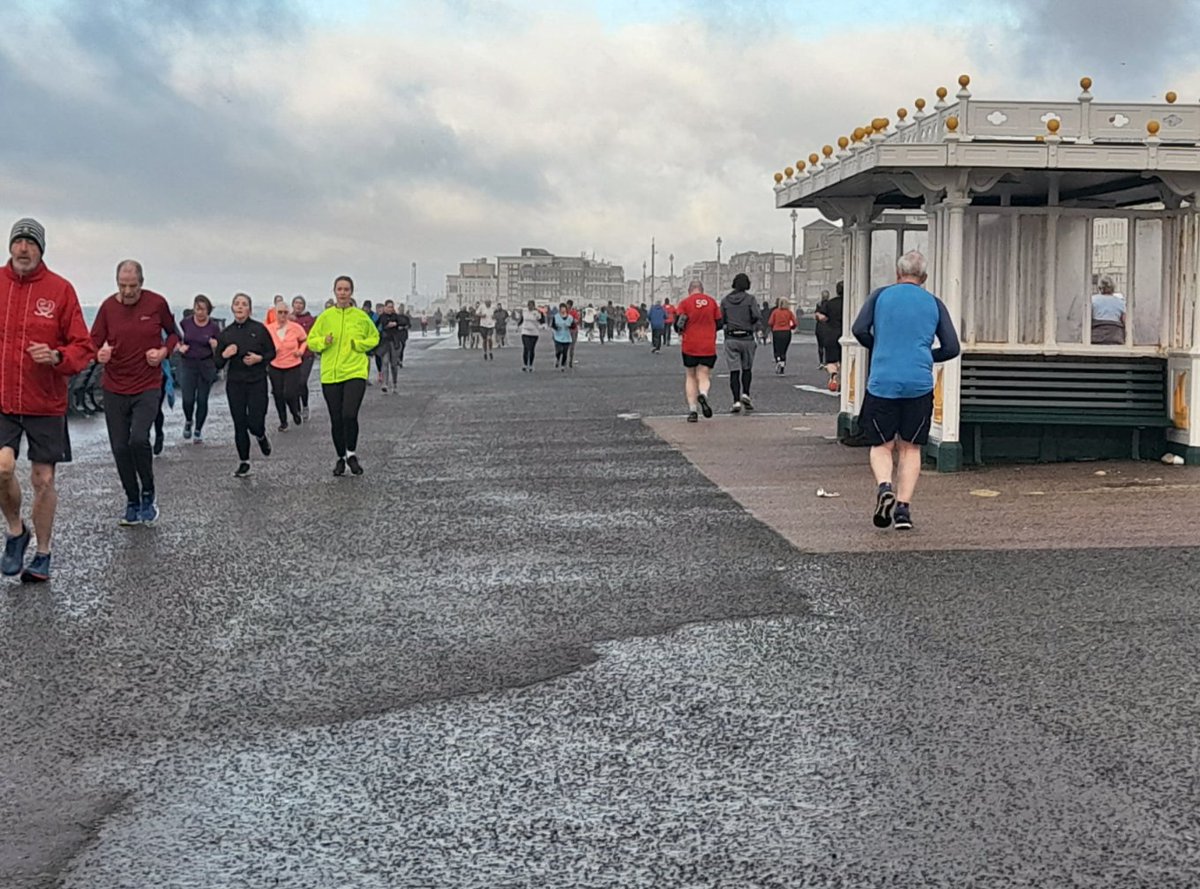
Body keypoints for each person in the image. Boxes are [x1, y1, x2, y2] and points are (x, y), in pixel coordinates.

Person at [0, 218, 94, 582]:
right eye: (18, 242)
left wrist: (56, 356)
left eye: (30, 243)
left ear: (41, 250)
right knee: (3, 467)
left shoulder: (60, 290)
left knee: (42, 478)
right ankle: (15, 530)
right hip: (4, 398)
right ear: (10, 246)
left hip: (45, 401)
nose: (23, 249)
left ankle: (42, 553)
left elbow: (82, 347)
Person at [851, 251, 961, 532]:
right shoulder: (934, 303)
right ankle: (902, 510)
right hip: (918, 383)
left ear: (897, 273)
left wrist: (879, 347)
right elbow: (951, 347)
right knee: (911, 447)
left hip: (882, 381)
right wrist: (925, 356)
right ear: (923, 278)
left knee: (882, 444)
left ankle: (884, 487)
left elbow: (859, 329)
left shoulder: (880, 296)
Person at [91, 259, 179, 526]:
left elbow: (174, 335)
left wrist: (163, 352)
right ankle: (132, 499)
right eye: (122, 285)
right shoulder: (108, 307)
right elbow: (92, 341)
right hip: (115, 386)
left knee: (138, 439)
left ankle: (148, 493)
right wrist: (99, 353)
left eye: (132, 286)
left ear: (142, 282)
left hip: (148, 384)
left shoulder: (156, 304)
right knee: (119, 447)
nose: (127, 291)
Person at [307, 276, 379, 476]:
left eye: (346, 289)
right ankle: (340, 457)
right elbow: (311, 341)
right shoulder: (325, 316)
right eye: (339, 289)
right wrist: (324, 341)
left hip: (355, 370)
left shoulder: (360, 316)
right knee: (336, 418)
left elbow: (375, 337)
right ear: (334, 291)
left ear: (351, 292)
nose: (343, 292)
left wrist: (359, 345)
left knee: (349, 414)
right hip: (331, 374)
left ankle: (351, 453)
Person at [214, 294, 274, 477]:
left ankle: (261, 435)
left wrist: (259, 359)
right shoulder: (226, 333)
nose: (240, 307)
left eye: (244, 304)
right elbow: (217, 363)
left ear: (250, 309)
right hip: (236, 383)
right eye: (237, 304)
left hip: (257, 381)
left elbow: (272, 353)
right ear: (232, 308)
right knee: (239, 423)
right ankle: (244, 462)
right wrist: (224, 354)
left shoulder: (259, 329)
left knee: (255, 422)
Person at [676, 280, 721, 422]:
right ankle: (703, 394)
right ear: (702, 289)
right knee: (704, 374)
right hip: (707, 345)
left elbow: (678, 324)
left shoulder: (685, 303)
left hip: (690, 344)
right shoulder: (712, 302)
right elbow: (719, 323)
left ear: (690, 290)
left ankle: (693, 410)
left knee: (690, 375)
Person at [177, 294, 220, 442]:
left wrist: (215, 346)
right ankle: (189, 420)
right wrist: (180, 347)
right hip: (188, 364)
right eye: (197, 309)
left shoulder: (213, 327)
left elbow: (220, 347)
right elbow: (176, 338)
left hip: (205, 364)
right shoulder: (185, 323)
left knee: (202, 400)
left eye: (203, 309)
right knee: (188, 399)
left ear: (208, 310)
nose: (200, 312)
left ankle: (198, 430)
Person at [721, 273, 761, 413]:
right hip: (747, 338)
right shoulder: (750, 299)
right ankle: (746, 394)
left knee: (734, 371)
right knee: (747, 369)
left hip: (731, 338)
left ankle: (736, 401)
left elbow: (721, 320)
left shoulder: (725, 301)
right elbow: (757, 316)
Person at [266, 301, 307, 431]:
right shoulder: (269, 329)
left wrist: (301, 351)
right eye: (280, 312)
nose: (283, 315)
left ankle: (295, 412)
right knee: (278, 394)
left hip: (292, 364)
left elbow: (305, 340)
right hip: (275, 365)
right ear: (275, 313)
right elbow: (262, 344)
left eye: (285, 312)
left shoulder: (295, 327)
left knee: (289, 393)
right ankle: (283, 422)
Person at [815, 283, 845, 391]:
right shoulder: (850, 303)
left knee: (831, 360)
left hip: (831, 333)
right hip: (846, 333)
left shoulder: (830, 303)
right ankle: (843, 380)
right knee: (844, 359)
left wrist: (820, 317)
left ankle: (833, 376)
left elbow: (822, 316)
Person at [291, 296, 316, 420]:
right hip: (292, 355)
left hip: (307, 354)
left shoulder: (310, 319)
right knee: (294, 383)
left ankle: (305, 406)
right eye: (296, 303)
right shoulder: (288, 319)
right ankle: (297, 409)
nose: (298, 305)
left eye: (301, 303)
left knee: (302, 382)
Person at [375, 299, 404, 392]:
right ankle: (385, 384)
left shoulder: (396, 316)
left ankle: (394, 383)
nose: (390, 309)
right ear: (385, 307)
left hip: (394, 342)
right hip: (384, 342)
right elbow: (376, 326)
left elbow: (404, 322)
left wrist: (395, 323)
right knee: (385, 362)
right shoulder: (382, 316)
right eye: (388, 307)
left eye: (392, 307)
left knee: (394, 364)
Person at [1090, 275, 1127, 345]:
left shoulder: (1092, 300)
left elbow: (1087, 319)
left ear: (1100, 288)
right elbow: (1126, 322)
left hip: (1096, 337)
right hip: (1115, 338)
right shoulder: (1120, 302)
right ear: (1113, 288)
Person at [768, 298, 797, 375]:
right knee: (784, 350)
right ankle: (782, 367)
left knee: (777, 349)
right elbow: (795, 322)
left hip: (777, 332)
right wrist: (791, 327)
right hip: (786, 332)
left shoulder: (775, 312)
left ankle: (778, 360)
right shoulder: (789, 312)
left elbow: (770, 322)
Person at [519, 299, 544, 371]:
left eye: (531, 306)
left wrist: (538, 317)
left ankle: (531, 365)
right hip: (525, 332)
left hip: (534, 333)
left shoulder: (537, 313)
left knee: (532, 349)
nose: (529, 307)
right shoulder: (524, 312)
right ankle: (525, 364)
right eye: (528, 305)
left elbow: (542, 321)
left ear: (533, 306)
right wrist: (518, 326)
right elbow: (521, 320)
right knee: (526, 348)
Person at [551, 303, 575, 371]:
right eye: (561, 308)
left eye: (564, 308)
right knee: (559, 350)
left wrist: (569, 326)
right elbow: (553, 325)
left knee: (565, 352)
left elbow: (573, 326)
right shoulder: (556, 317)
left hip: (566, 337)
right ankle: (557, 359)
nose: (563, 310)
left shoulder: (570, 317)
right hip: (558, 336)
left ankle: (563, 365)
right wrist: (556, 327)